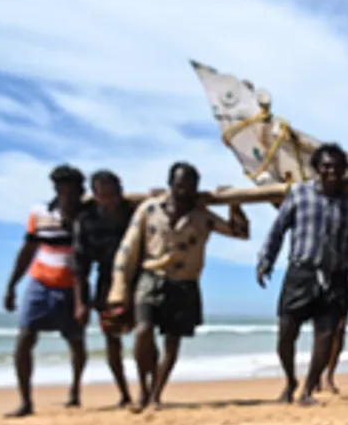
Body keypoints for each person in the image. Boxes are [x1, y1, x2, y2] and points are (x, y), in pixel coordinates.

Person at [106, 162, 249, 410]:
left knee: (172, 342)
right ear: (171, 184)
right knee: (143, 331)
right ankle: (143, 389)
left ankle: (156, 394)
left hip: (185, 283)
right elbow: (128, 249)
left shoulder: (203, 216)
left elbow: (239, 232)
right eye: (180, 184)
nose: (185, 190)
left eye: (191, 185)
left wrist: (234, 204)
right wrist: (119, 287)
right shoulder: (149, 209)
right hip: (151, 278)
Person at [256, 143, 348, 406]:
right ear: (317, 168)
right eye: (326, 166)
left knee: (326, 335)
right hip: (301, 272)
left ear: (344, 170)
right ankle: (290, 381)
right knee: (286, 332)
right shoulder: (299, 194)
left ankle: (307, 389)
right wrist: (266, 260)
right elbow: (278, 229)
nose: (332, 171)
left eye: (337, 166)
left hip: (337, 276)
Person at [2, 164, 88, 417]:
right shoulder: (39, 213)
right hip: (39, 282)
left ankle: (75, 391)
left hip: (73, 286)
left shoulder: (86, 216)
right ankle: (26, 401)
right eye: (64, 191)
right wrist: (11, 286)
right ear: (57, 190)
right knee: (25, 337)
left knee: (76, 342)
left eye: (74, 191)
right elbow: (27, 251)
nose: (69, 196)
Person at [73, 170, 136, 407]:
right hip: (107, 285)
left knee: (144, 333)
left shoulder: (134, 212)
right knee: (112, 339)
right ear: (96, 196)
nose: (110, 200)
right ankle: (124, 393)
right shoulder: (86, 220)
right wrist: (81, 302)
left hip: (137, 279)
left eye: (114, 194)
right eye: (104, 195)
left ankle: (148, 390)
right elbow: (80, 265)